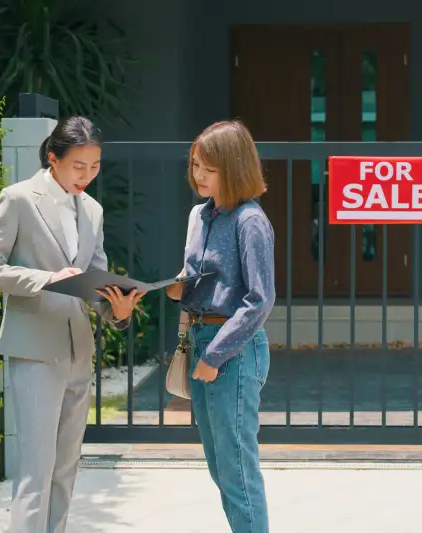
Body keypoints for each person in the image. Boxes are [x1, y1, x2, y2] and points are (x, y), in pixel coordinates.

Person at [0, 116, 143, 533]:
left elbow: (95, 282)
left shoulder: (94, 211)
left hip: (78, 351)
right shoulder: (18, 199)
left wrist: (117, 312)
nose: (88, 176)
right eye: (78, 166)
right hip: (33, 350)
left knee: (65, 471)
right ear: (53, 158)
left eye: (96, 166)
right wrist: (44, 279)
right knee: (36, 473)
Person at [167, 120, 275, 533]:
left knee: (237, 471)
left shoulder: (250, 221)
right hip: (199, 338)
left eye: (208, 169)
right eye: (195, 165)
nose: (198, 176)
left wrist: (215, 355)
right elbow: (198, 272)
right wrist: (179, 287)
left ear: (232, 168)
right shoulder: (200, 215)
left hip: (231, 350)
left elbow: (259, 299)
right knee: (219, 464)